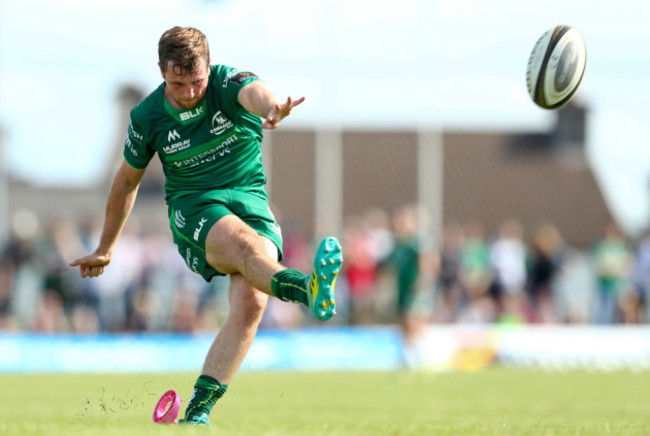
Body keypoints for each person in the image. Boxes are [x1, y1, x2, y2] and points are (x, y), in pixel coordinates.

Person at [69, 26, 343, 426]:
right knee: (246, 248)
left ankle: (197, 411)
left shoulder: (227, 82)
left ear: (208, 67)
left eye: (197, 80)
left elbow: (256, 92)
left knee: (251, 303)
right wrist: (106, 247)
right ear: (161, 71)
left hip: (250, 201)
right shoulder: (147, 117)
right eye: (178, 83)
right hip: (195, 208)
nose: (191, 91)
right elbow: (126, 181)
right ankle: (308, 288)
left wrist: (271, 109)